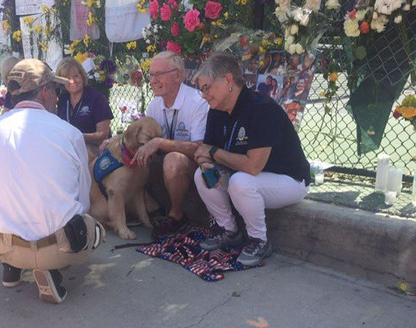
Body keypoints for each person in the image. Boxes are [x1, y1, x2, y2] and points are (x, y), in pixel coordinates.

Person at [0, 59, 105, 304]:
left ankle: (12, 267)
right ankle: (49, 269)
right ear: (46, 93)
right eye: (56, 91)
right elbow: (82, 199)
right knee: (93, 226)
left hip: (2, 244)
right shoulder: (69, 132)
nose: (58, 98)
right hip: (57, 247)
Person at [193, 52, 311, 266]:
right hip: (251, 177)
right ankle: (229, 231)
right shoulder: (217, 109)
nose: (204, 95)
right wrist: (207, 165)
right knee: (200, 176)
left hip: (289, 180)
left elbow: (253, 166)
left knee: (241, 182)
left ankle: (259, 241)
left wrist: (212, 154)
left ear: (228, 80)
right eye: (202, 90)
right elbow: (204, 151)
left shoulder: (261, 108)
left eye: (206, 87)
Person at [110, 51, 209, 238]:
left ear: (178, 75)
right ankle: (152, 210)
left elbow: (199, 147)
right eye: (151, 75)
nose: (153, 80)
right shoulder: (154, 105)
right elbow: (137, 137)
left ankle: (176, 216)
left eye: (159, 74)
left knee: (173, 160)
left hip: (193, 165)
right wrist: (114, 141)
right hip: (162, 164)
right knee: (133, 155)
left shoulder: (198, 102)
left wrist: (160, 142)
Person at [55, 57, 114, 158]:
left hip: (94, 154)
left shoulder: (96, 98)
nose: (73, 81)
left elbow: (102, 135)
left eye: (76, 76)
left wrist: (77, 137)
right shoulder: (62, 100)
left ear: (82, 76)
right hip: (67, 152)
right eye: (67, 79)